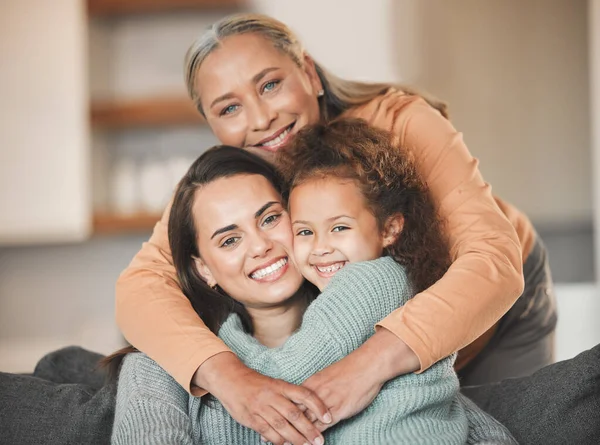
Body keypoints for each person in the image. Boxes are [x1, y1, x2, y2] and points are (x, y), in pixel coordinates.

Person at [114, 12, 556, 442]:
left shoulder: (400, 122)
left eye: (270, 85)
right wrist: (228, 377)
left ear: (309, 73)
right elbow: (141, 285)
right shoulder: (231, 178)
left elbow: (492, 262)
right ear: (212, 126)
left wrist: (367, 367)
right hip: (382, 331)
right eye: (230, 108)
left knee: (519, 417)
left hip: (493, 302)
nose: (261, 118)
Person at [111, 128, 516, 444]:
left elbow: (465, 423)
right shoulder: (158, 366)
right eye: (230, 240)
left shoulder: (389, 328)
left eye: (270, 218)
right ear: (204, 270)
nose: (262, 246)